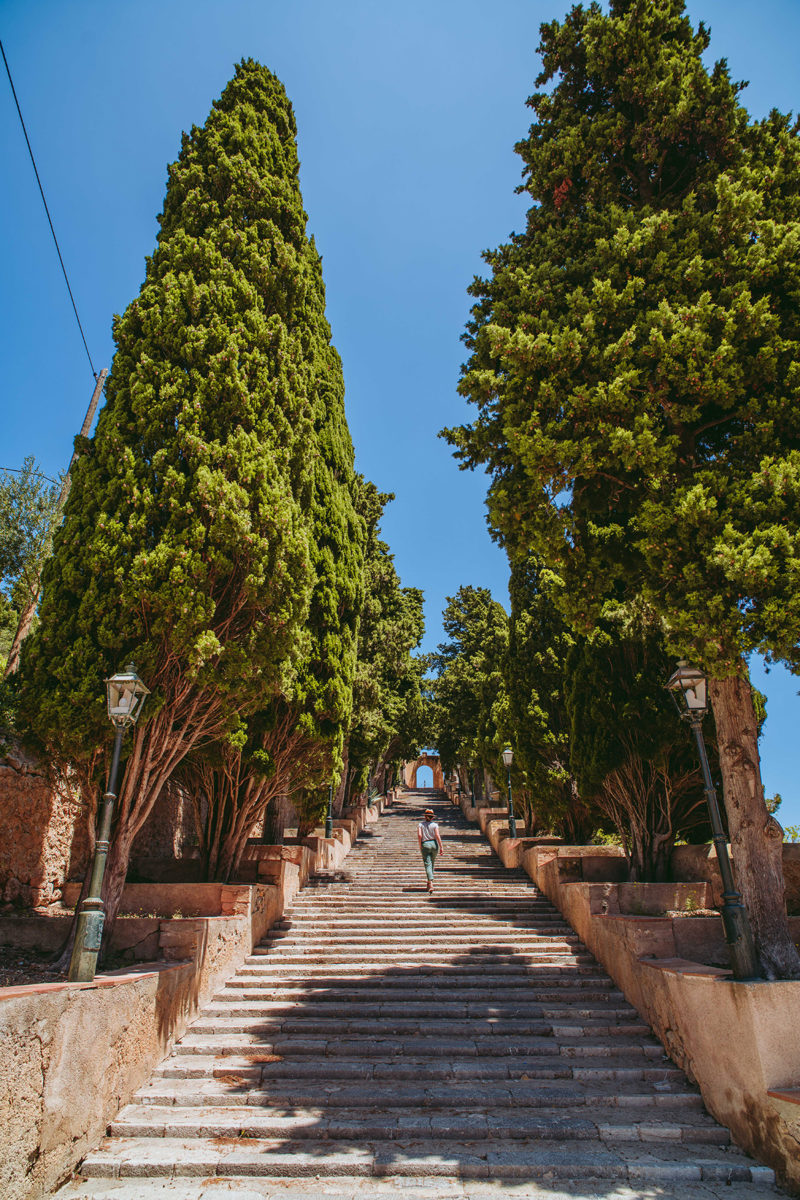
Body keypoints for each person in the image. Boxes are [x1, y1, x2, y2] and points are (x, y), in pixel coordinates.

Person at [417, 807, 444, 893]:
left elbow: (420, 836)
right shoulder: (435, 825)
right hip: (434, 844)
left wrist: (420, 845)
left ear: (425, 816)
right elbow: (437, 835)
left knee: (427, 863)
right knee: (432, 862)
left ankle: (430, 882)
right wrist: (441, 846)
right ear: (432, 817)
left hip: (425, 844)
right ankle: (429, 882)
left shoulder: (420, 825)